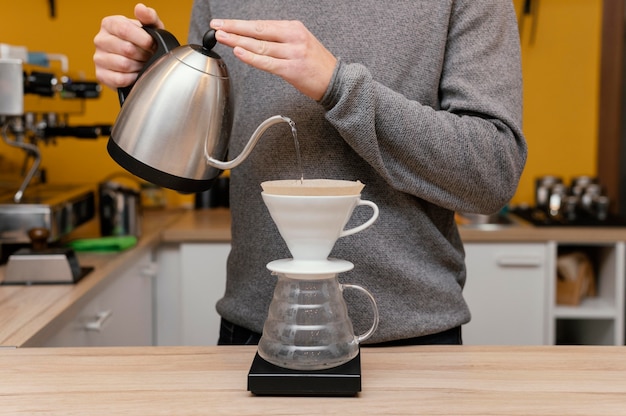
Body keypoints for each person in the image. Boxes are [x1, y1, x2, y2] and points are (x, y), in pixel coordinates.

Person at [94, 1, 527, 346]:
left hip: (414, 342)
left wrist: (338, 86)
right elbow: (203, 155)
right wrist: (151, 79)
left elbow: (492, 173)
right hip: (254, 331)